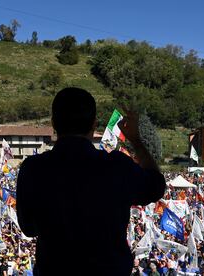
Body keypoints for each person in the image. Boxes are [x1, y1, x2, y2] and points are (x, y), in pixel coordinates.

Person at [17, 87, 166, 276]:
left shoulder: (33, 169)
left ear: (54, 124)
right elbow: (156, 186)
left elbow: (29, 228)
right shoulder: (117, 167)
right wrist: (135, 140)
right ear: (94, 124)